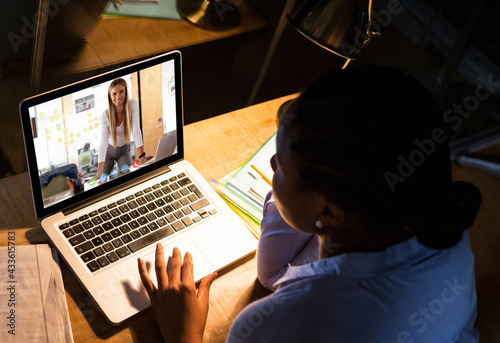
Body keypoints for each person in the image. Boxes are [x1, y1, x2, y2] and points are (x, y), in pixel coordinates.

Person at [138, 66, 482, 342]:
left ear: (329, 213)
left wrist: (184, 335)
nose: (271, 167)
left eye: (280, 166)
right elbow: (274, 272)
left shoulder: (284, 321)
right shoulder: (441, 220)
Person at [96, 78, 151, 178]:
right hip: (108, 152)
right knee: (103, 180)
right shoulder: (105, 115)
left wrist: (142, 156)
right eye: (114, 94)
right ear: (110, 96)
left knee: (128, 177)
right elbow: (103, 142)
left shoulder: (132, 104)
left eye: (121, 91)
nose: (118, 96)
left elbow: (135, 129)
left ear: (125, 92)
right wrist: (99, 173)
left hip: (124, 151)